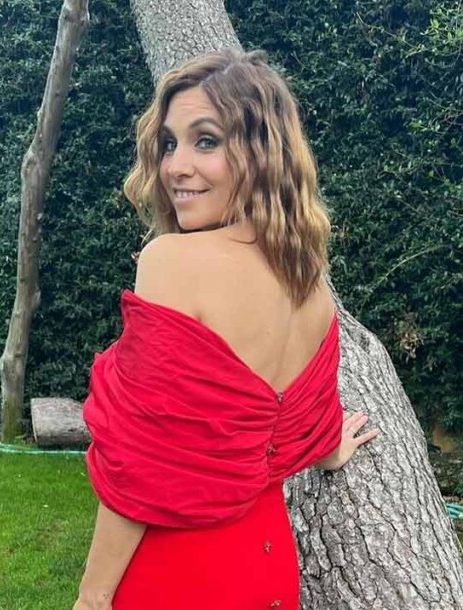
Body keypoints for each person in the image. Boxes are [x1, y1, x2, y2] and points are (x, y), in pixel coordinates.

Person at [74, 48, 380, 610]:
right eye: (170, 143)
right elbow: (283, 423)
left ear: (261, 154)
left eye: (206, 141)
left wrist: (92, 597)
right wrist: (329, 449)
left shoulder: (171, 261)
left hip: (180, 577)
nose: (174, 166)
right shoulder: (310, 285)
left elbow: (139, 464)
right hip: (270, 570)